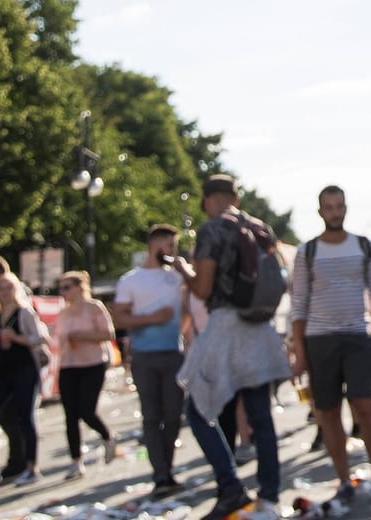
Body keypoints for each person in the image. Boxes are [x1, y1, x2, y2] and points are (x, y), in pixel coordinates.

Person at [180, 174, 288, 519]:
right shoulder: (261, 229)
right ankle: (269, 499)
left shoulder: (212, 229)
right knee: (261, 416)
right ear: (236, 198)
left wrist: (183, 270)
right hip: (260, 329)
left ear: (209, 199)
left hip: (227, 327)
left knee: (197, 411)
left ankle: (230, 487)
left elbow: (202, 288)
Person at [288, 185, 371, 507]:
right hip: (319, 340)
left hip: (357, 336)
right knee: (328, 412)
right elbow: (299, 303)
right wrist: (300, 355)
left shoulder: (363, 246)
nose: (335, 212)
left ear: (346, 208)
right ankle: (344, 480)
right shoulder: (307, 251)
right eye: (329, 207)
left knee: (365, 407)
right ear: (320, 212)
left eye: (339, 206)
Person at [113, 225, 189, 498]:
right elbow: (119, 317)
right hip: (144, 356)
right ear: (154, 246)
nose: (172, 252)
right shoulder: (131, 280)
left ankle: (167, 468)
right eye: (168, 246)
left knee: (173, 415)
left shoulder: (177, 277)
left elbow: (190, 306)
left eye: (174, 246)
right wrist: (150, 319)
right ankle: (160, 475)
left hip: (173, 353)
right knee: (151, 416)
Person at [0, 267, 46, 488]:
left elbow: (41, 338)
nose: (4, 292)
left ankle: (32, 467)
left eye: (8, 288)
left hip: (25, 370)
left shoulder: (24, 312)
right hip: (3, 373)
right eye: (1, 289)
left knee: (26, 417)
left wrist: (17, 337)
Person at [53, 271, 118, 480]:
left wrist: (83, 336)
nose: (63, 292)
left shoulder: (94, 307)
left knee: (86, 410)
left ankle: (108, 436)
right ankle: (75, 461)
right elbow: (58, 340)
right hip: (68, 365)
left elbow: (108, 334)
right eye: (61, 287)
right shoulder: (63, 313)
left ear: (80, 287)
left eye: (66, 287)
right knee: (70, 415)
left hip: (92, 364)